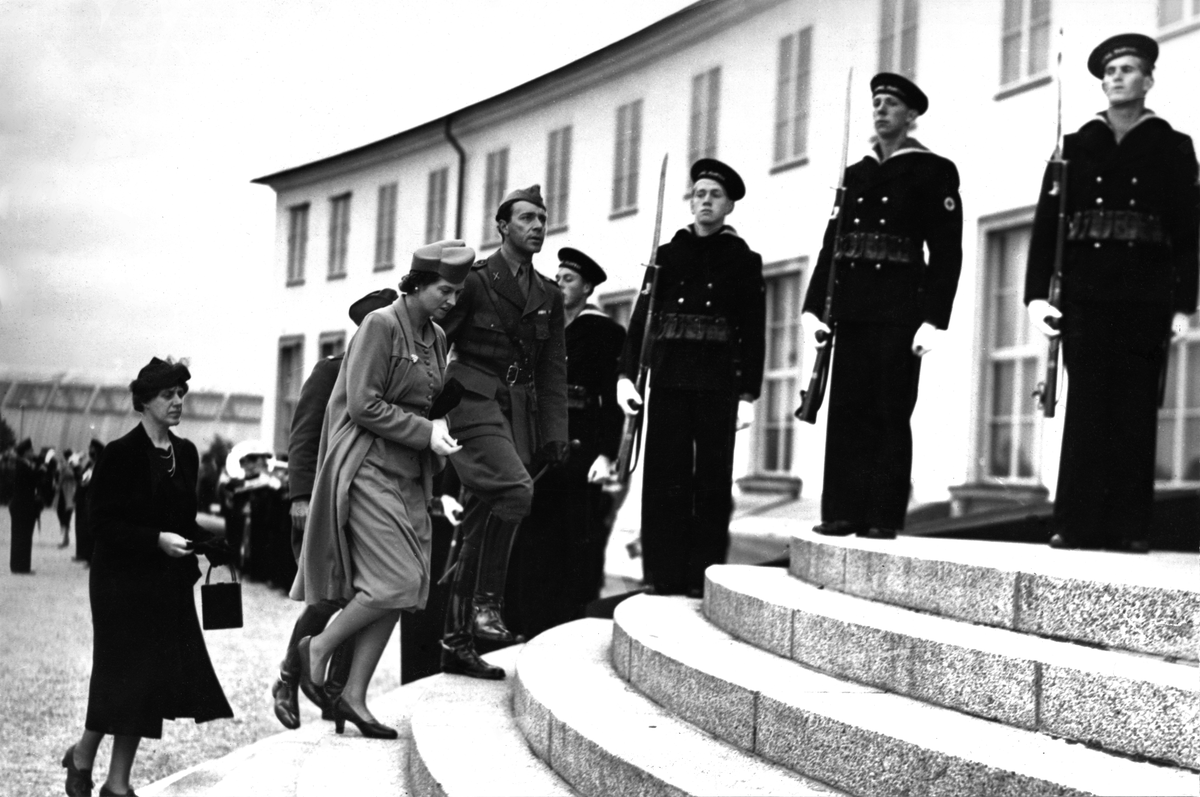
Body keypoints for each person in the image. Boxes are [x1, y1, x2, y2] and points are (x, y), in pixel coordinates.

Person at [1024, 34, 1198, 552]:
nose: (1115, 78)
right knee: (1088, 408)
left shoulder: (1173, 146)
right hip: (1087, 295)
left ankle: (1127, 528)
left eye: (1126, 69)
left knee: (1135, 408)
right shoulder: (1075, 145)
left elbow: (1189, 233)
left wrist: (1184, 303)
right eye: (1109, 71)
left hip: (1146, 297)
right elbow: (1045, 226)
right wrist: (1037, 295)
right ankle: (1074, 524)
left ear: (1148, 80)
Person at [291, 241, 471, 738]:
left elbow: (427, 399)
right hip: (368, 466)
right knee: (391, 581)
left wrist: (440, 431)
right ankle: (318, 648)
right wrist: (424, 431)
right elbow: (363, 405)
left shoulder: (434, 335)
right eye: (445, 289)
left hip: (411, 472)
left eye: (457, 292)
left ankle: (352, 696)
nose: (452, 300)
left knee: (409, 586)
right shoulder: (380, 325)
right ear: (417, 283)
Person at [801, 73, 963, 540]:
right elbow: (832, 247)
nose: (881, 109)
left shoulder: (933, 171)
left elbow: (946, 252)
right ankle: (843, 511)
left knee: (889, 412)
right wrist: (815, 310)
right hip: (851, 310)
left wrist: (934, 319)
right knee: (848, 410)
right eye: (877, 102)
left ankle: (882, 516)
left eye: (891, 103)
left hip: (899, 311)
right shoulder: (854, 175)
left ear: (910, 116)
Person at [63, 357, 232, 797]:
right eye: (167, 395)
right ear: (144, 402)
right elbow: (102, 526)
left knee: (145, 682)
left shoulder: (187, 454)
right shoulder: (119, 455)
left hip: (166, 584)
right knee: (120, 675)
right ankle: (85, 757)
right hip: (120, 582)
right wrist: (156, 539)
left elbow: (183, 520)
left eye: (181, 394)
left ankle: (115, 783)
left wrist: (209, 543)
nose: (178, 401)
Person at [616, 159, 766, 598]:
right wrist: (627, 376)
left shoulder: (742, 260)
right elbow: (641, 319)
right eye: (699, 193)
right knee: (665, 475)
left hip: (717, 382)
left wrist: (748, 394)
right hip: (668, 380)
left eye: (714, 195)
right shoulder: (667, 256)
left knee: (711, 480)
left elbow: (753, 331)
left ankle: (705, 573)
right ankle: (663, 573)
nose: (705, 201)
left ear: (729, 206)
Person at [439, 184, 569, 679]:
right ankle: (485, 606)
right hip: (471, 402)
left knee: (479, 520)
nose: (537, 226)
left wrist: (554, 431)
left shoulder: (548, 295)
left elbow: (552, 369)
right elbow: (435, 340)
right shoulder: (475, 281)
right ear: (502, 226)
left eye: (542, 218)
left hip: (516, 412)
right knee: (515, 493)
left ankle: (455, 640)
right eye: (527, 218)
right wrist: (427, 408)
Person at [270, 287, 397, 730]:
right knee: (327, 598)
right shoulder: (332, 371)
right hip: (323, 504)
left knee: (366, 596)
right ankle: (289, 677)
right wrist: (301, 497)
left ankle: (335, 691)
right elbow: (303, 436)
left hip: (365, 504)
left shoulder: (390, 377)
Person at [506, 247, 626, 637]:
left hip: (582, 448)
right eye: (556, 278)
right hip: (538, 447)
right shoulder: (541, 328)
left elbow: (613, 400)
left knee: (575, 542)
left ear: (587, 288)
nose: (558, 284)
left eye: (568, 279)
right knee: (532, 541)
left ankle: (567, 626)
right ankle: (529, 624)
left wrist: (608, 453)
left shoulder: (605, 332)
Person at [8, 438, 41, 574]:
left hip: (22, 506)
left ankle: (19, 566)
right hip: (23, 507)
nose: (33, 452)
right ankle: (21, 567)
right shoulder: (23, 466)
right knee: (22, 537)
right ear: (26, 452)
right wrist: (41, 471)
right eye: (31, 450)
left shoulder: (24, 465)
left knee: (22, 537)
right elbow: (31, 482)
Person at [73, 439, 104, 564]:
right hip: (86, 500)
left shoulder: (100, 463)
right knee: (85, 528)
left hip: (95, 501)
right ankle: (86, 555)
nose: (89, 451)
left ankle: (92, 558)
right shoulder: (90, 464)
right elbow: (81, 480)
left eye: (91, 448)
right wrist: (76, 468)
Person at [56, 448, 79, 548]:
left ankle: (66, 538)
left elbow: (70, 474)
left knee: (66, 515)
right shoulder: (68, 465)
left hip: (69, 493)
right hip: (64, 492)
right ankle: (66, 536)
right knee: (61, 513)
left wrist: (65, 468)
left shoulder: (72, 466)